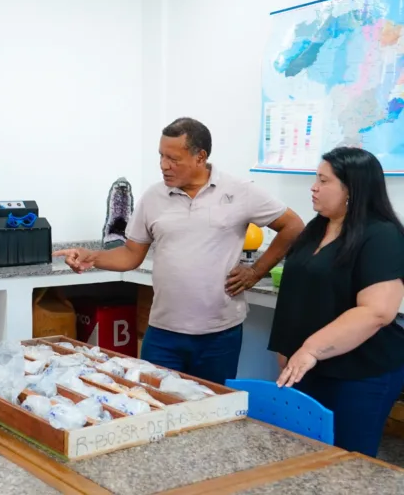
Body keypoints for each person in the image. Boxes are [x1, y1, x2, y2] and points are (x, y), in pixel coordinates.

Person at [55, 117, 304, 384]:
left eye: (173, 158)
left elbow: (293, 225)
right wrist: (93, 257)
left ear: (200, 157)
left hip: (219, 335)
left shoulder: (239, 192)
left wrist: (256, 271)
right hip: (164, 333)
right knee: (155, 406)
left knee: (213, 410)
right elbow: (130, 254)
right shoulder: (153, 197)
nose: (164, 165)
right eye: (161, 156)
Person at [269, 147, 404, 457]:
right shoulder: (316, 229)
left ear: (352, 189)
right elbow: (298, 293)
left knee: (346, 458)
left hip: (360, 372)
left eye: (324, 180)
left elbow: (377, 311)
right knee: (304, 451)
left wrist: (310, 349)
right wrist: (287, 348)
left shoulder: (381, 236)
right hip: (309, 366)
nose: (313, 187)